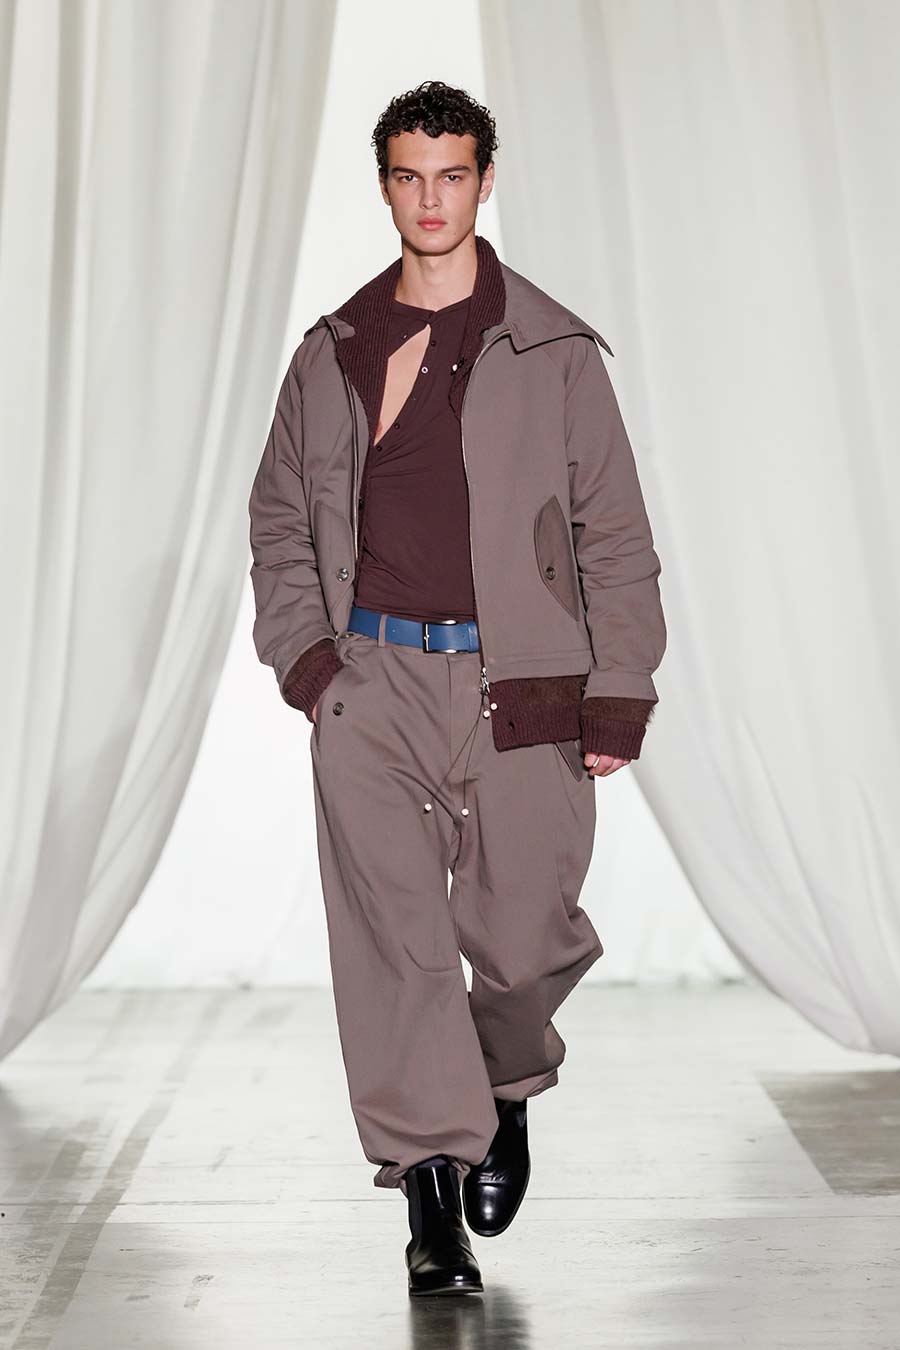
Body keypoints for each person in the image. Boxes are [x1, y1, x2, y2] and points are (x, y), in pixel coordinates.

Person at [248, 79, 666, 1297]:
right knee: (394, 947)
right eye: (408, 176)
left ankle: (505, 1083)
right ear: (385, 187)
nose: (430, 199)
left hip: (520, 681)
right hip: (371, 684)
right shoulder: (332, 351)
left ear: (485, 181)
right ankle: (431, 1197)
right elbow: (279, 519)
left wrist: (618, 689)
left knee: (524, 939)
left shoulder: (555, 352)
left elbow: (614, 534)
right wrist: (311, 664)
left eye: (451, 175)